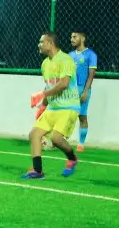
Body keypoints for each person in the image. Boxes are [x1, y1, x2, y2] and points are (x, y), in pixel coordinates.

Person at [22, 32, 82, 179]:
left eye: (41, 42)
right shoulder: (45, 64)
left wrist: (42, 95)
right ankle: (37, 171)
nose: (39, 45)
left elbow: (64, 84)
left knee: (56, 139)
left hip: (68, 107)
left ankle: (72, 158)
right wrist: (42, 105)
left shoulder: (65, 60)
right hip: (53, 108)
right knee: (34, 134)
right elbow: (49, 86)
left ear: (50, 44)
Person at [69, 31, 98, 151]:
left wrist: (86, 91)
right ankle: (58, 140)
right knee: (66, 115)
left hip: (82, 89)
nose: (72, 39)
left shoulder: (91, 55)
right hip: (70, 89)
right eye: (71, 37)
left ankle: (81, 143)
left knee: (82, 116)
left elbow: (91, 75)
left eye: (74, 37)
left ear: (83, 38)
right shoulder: (70, 55)